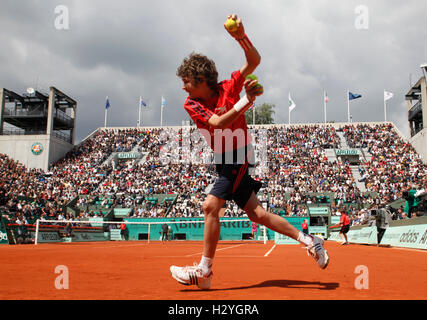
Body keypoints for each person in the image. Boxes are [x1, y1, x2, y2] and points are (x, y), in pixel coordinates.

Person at [169, 14, 329, 290]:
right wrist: (248, 100)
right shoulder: (191, 104)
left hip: (239, 154)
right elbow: (218, 123)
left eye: (188, 81)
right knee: (258, 215)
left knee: (210, 206)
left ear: (203, 80)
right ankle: (311, 241)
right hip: (223, 160)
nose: (183, 87)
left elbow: (254, 61)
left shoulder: (227, 87)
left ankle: (205, 271)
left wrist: (240, 35)